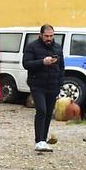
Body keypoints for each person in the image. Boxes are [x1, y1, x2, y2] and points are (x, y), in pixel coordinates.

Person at [23, 24, 64, 152]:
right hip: (37, 85)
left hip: (53, 85)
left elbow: (61, 67)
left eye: (51, 36)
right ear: (40, 35)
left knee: (48, 114)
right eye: (46, 36)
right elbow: (26, 64)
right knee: (41, 110)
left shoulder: (57, 47)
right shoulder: (32, 47)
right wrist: (42, 62)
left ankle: (43, 140)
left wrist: (60, 84)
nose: (49, 38)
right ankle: (38, 141)